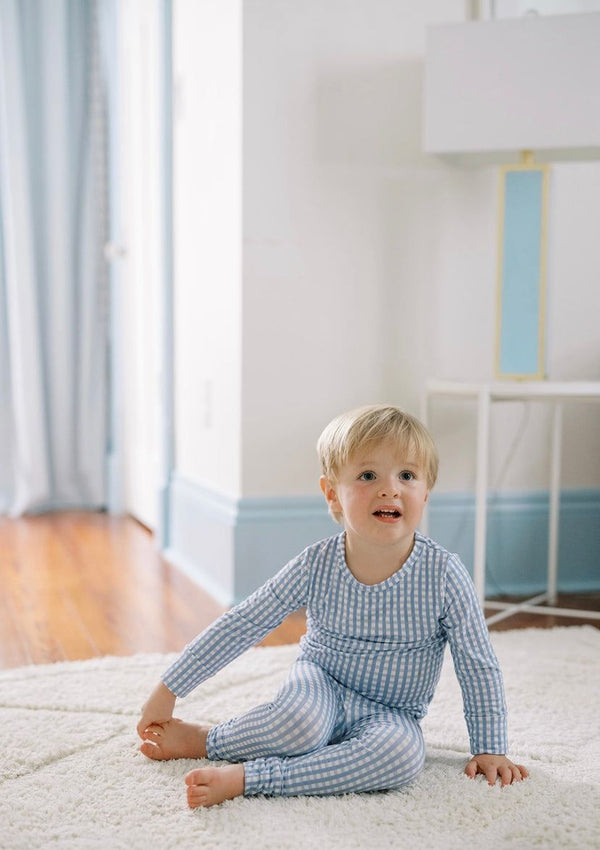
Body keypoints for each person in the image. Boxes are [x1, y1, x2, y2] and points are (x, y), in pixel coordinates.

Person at [137, 404, 528, 808]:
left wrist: (490, 746)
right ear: (332, 493)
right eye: (367, 475)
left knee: (403, 758)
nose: (390, 488)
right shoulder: (316, 563)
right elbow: (246, 621)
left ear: (425, 493)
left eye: (407, 476)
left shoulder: (443, 574)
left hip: (391, 713)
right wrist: (170, 687)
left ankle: (251, 778)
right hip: (319, 684)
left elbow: (477, 661)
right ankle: (206, 739)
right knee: (297, 724)